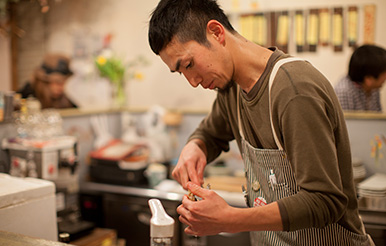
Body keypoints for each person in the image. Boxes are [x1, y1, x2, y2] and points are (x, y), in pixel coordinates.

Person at [148, 0, 374, 245]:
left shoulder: (294, 90)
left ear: (216, 32)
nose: (192, 81)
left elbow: (324, 200)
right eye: (181, 72)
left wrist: (230, 219)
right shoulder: (230, 89)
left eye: (189, 64)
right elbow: (211, 133)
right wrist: (196, 146)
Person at [334, 44, 386, 112]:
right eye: (384, 72)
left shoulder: (374, 89)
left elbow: (377, 119)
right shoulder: (344, 92)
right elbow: (346, 122)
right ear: (368, 79)